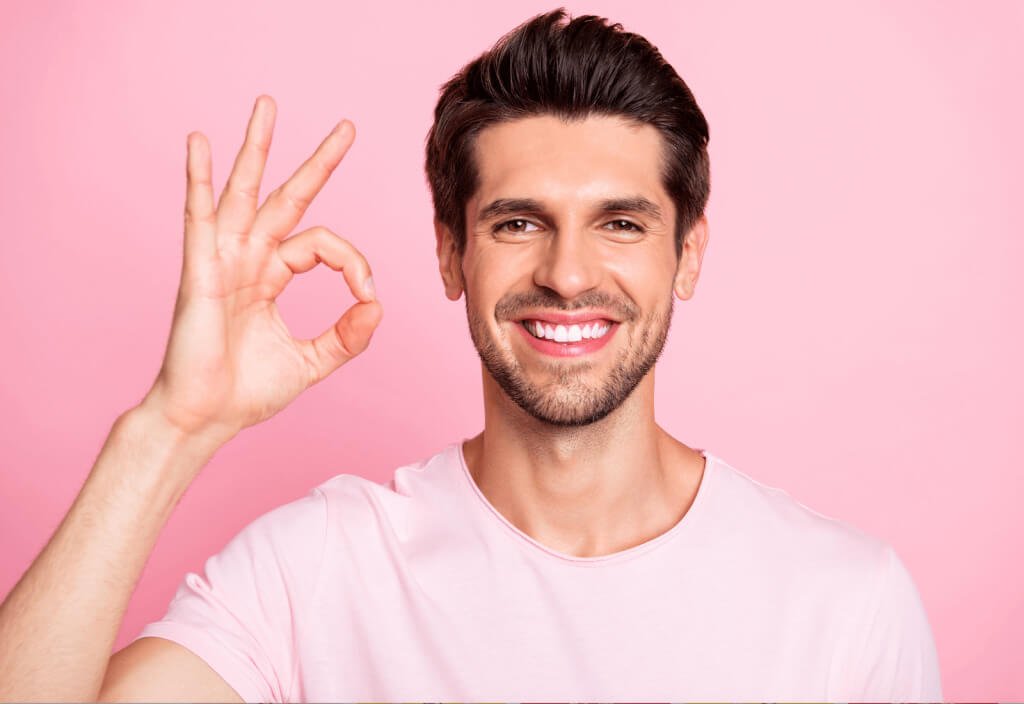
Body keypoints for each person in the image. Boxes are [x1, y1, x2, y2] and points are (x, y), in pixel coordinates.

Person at [0, 8, 943, 702]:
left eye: (619, 223)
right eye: (519, 221)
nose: (568, 275)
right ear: (451, 251)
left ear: (685, 253)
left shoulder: (844, 602)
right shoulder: (322, 569)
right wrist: (171, 427)